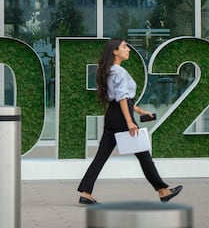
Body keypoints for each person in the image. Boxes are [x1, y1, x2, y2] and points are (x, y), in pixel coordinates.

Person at [77, 38, 182, 205]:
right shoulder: (118, 71)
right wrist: (129, 122)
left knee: (101, 156)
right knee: (143, 155)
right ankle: (163, 191)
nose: (129, 50)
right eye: (124, 47)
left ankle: (86, 192)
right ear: (115, 51)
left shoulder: (110, 70)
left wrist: (139, 111)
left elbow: (121, 99)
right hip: (121, 116)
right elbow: (123, 98)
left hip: (112, 114)